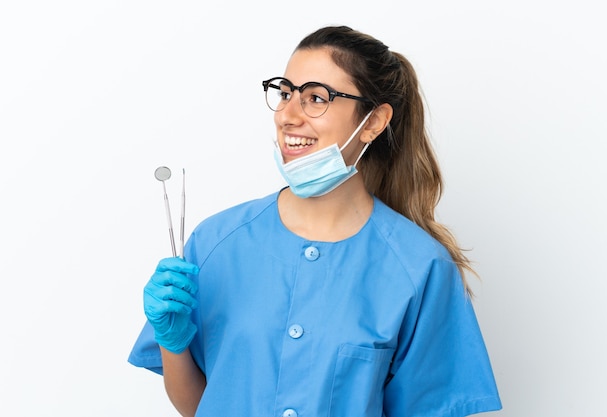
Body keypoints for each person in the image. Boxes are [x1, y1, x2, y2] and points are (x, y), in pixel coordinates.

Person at [129, 25, 502, 417]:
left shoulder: (420, 267)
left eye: (315, 98)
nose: (288, 115)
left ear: (373, 122)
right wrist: (173, 344)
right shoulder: (216, 243)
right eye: (286, 93)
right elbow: (197, 408)